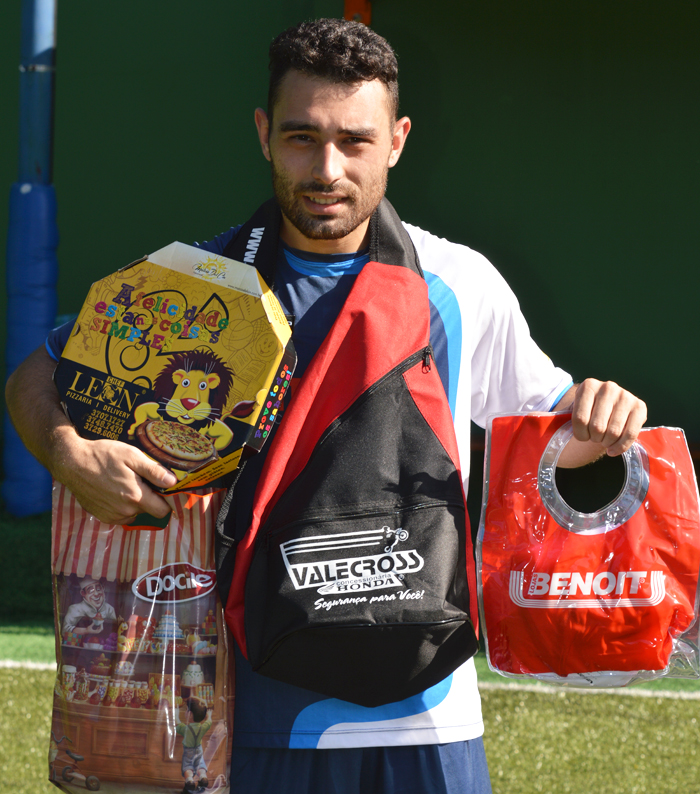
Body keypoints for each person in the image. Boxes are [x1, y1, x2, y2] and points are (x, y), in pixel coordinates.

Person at [6, 18, 647, 794]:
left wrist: (602, 418)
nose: (328, 168)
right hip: (248, 708)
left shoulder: (460, 282)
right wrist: (69, 453)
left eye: (355, 141)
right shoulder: (193, 286)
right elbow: (36, 376)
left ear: (399, 139)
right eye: (303, 138)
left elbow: (546, 428)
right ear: (263, 134)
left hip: (428, 712)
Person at [176, 698, 214, 793]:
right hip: (199, 750)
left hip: (188, 752)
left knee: (187, 766)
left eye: (186, 710)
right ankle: (203, 777)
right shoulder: (202, 727)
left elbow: (177, 725)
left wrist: (176, 714)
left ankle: (189, 780)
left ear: (190, 714)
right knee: (200, 764)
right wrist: (209, 716)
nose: (185, 712)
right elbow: (209, 723)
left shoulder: (186, 729)